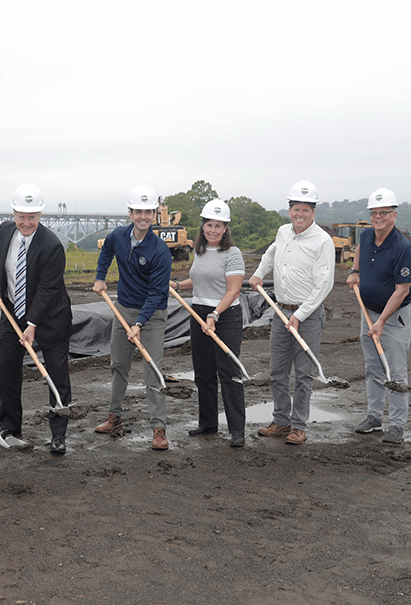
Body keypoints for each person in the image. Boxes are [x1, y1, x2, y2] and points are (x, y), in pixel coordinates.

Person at [249, 180, 334, 446]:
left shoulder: (323, 241)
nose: (300, 214)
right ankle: (281, 421)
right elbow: (270, 253)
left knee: (304, 373)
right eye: (296, 209)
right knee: (278, 372)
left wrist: (301, 315)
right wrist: (258, 274)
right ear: (289, 210)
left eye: (306, 210)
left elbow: (324, 285)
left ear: (313, 212)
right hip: (280, 312)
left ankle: (298, 426)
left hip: (306, 316)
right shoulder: (283, 232)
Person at [0, 183, 72, 454]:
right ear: (14, 213)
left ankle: (58, 434)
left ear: (40, 215)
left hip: (50, 318)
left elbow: (48, 291)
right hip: (12, 310)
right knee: (8, 370)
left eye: (32, 217)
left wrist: (32, 325)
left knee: (56, 374)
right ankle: (10, 428)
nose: (26, 222)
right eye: (21, 216)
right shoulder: (5, 230)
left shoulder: (52, 247)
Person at [92, 185, 172, 450]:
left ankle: (158, 428)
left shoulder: (160, 250)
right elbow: (106, 253)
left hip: (152, 314)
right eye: (139, 211)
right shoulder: (118, 236)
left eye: (148, 212)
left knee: (153, 369)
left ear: (154, 215)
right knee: (118, 364)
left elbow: (156, 293)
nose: (143, 216)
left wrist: (139, 324)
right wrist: (100, 277)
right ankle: (114, 417)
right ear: (130, 213)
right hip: (123, 308)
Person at [171, 199, 246, 447]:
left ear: (225, 229)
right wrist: (179, 285)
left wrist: (214, 315)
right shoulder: (200, 251)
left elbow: (233, 290)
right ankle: (208, 424)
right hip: (198, 312)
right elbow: (201, 278)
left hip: (225, 316)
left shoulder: (232, 254)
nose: (212, 230)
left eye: (218, 225)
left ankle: (237, 430)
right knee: (203, 372)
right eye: (209, 225)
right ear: (203, 226)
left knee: (229, 372)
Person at [347, 187, 411, 444]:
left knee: (396, 372)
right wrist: (355, 270)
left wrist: (382, 321)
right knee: (373, 367)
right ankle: (374, 417)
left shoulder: (403, 248)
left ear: (394, 215)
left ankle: (397, 425)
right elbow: (359, 250)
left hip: (395, 316)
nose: (378, 217)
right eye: (374, 213)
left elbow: (402, 291)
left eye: (383, 213)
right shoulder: (366, 236)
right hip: (370, 312)